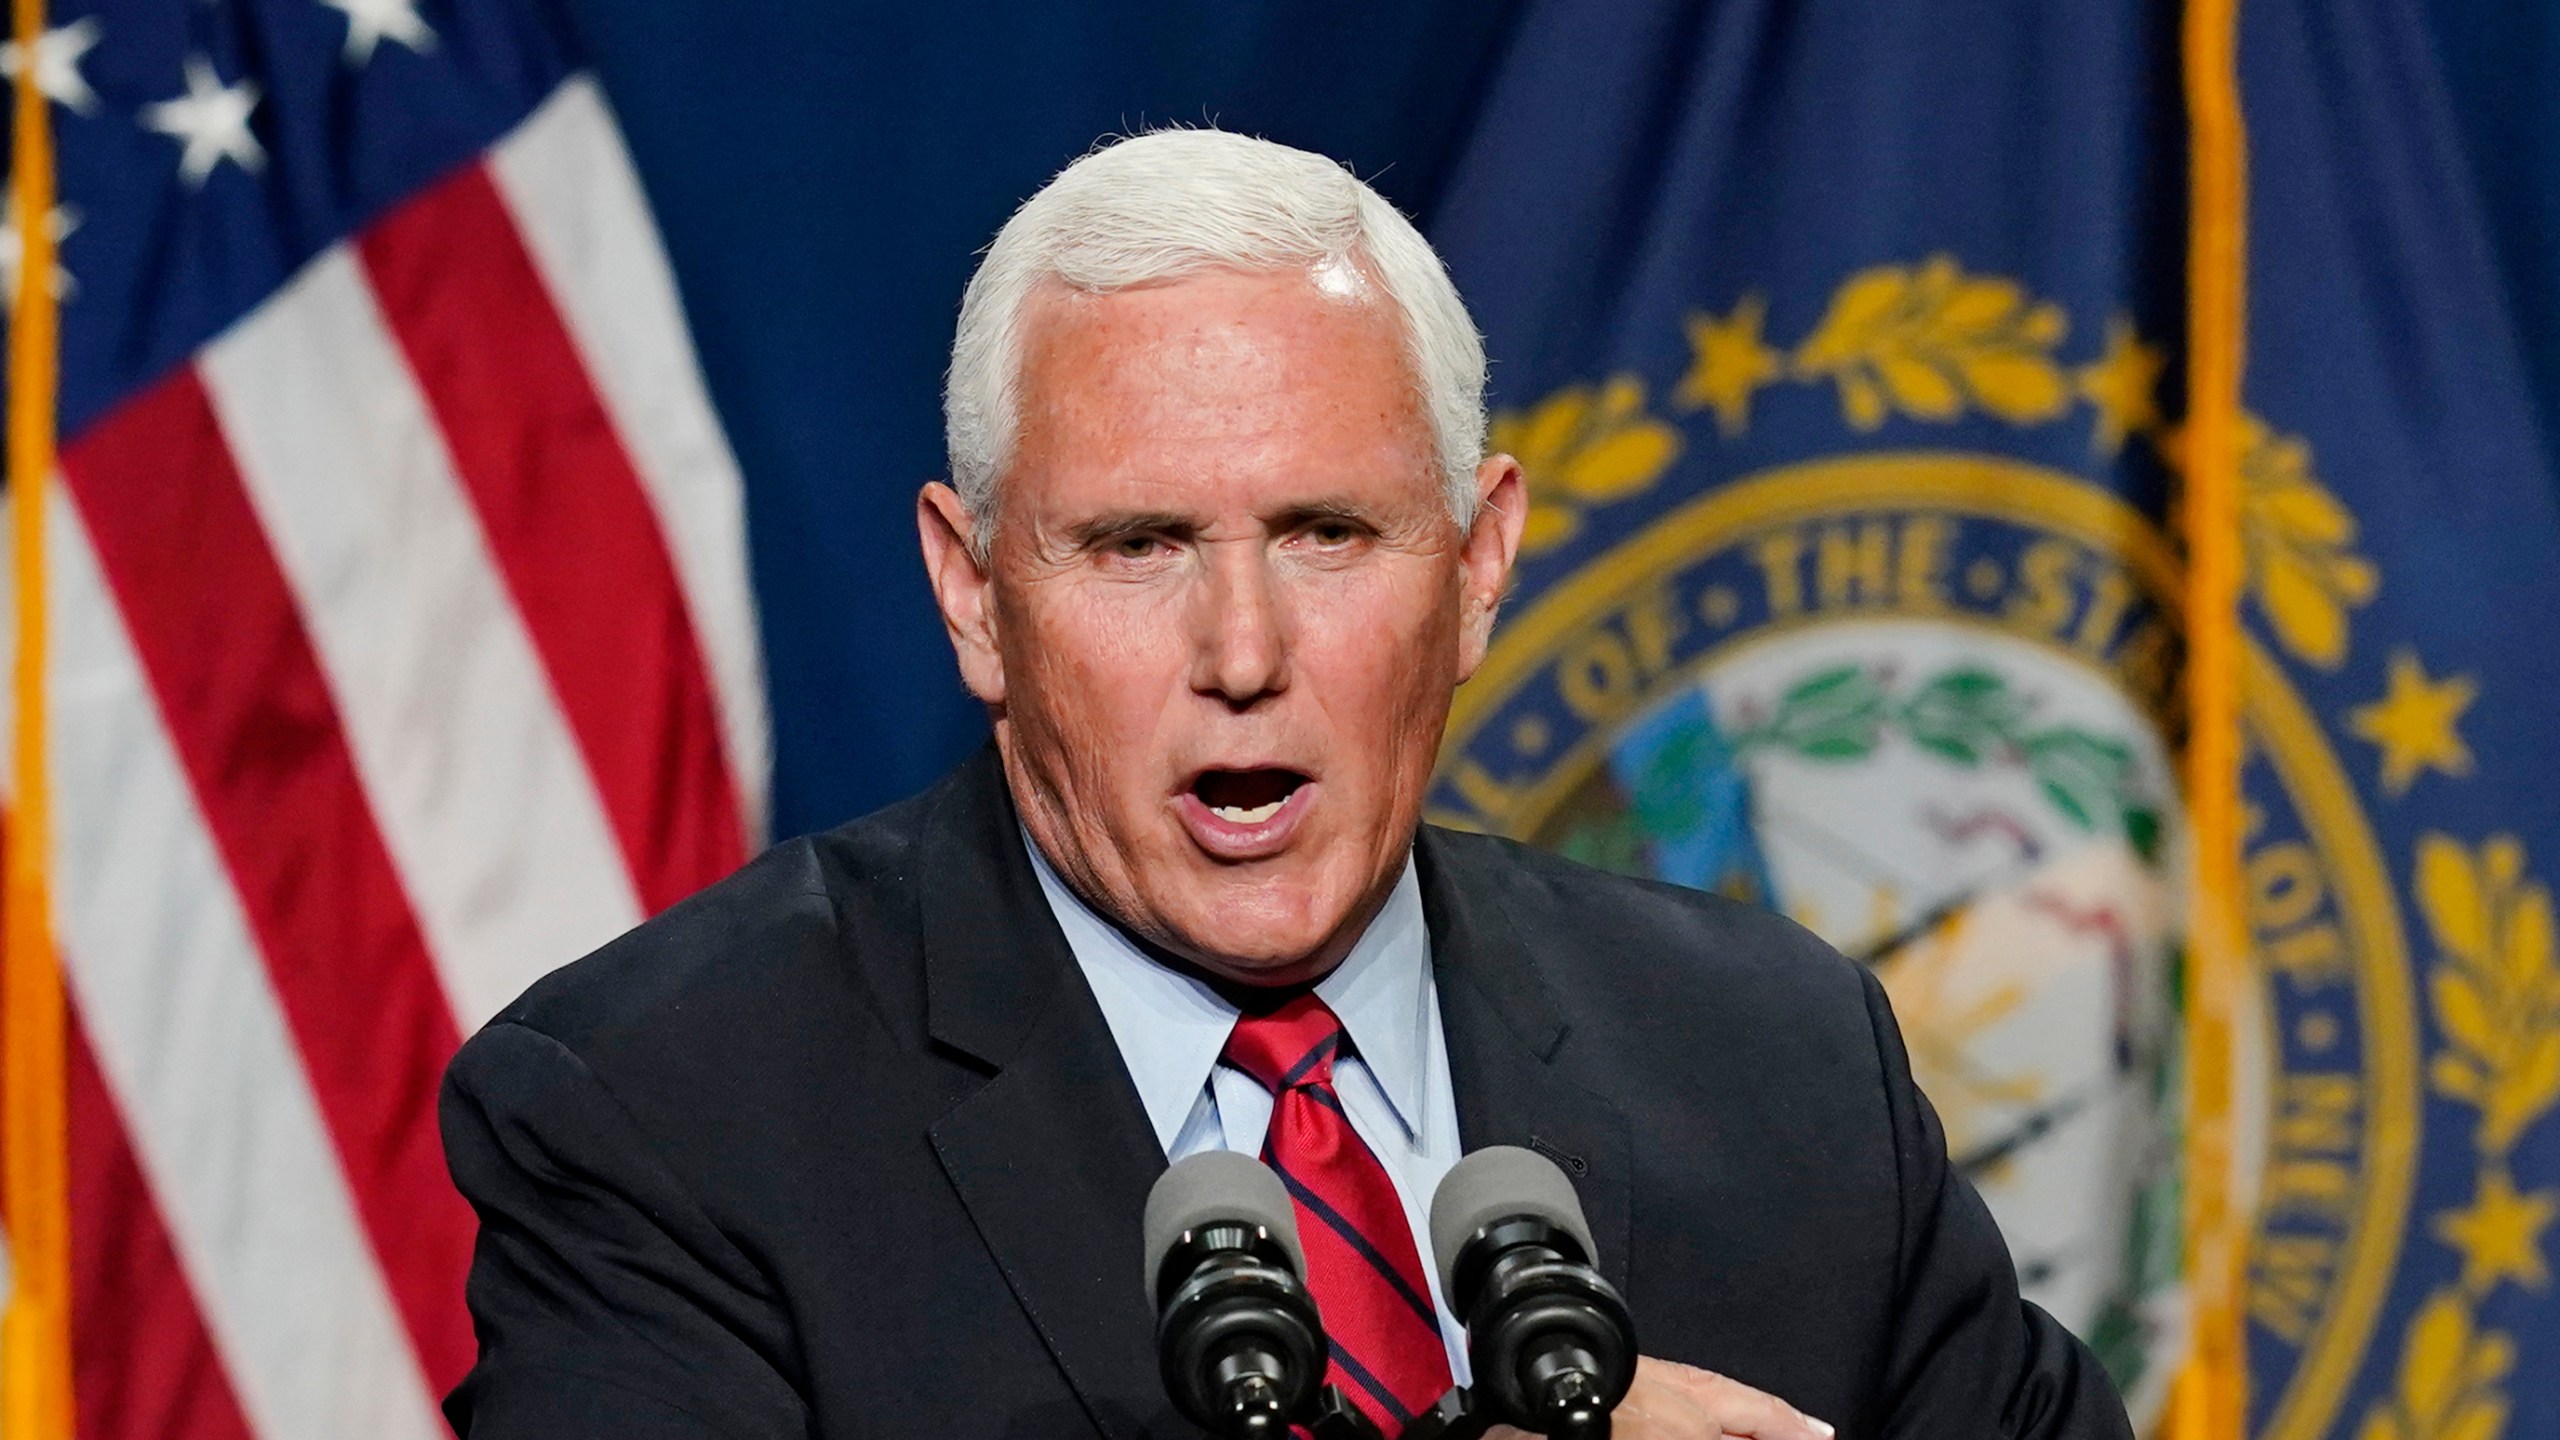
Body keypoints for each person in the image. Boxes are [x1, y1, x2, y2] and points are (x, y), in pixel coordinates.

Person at [439, 128, 2132, 1440]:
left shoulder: (1776, 1060)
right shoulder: (668, 1112)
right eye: (1137, 544)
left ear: (1477, 566)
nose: (1240, 648)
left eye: (1331, 535)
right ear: (974, 595)